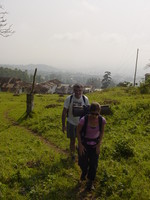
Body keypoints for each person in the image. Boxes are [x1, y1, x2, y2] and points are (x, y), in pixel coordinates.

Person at [77, 102, 106, 191]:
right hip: (84, 143)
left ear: (99, 113)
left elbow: (101, 132)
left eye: (96, 114)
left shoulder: (102, 121)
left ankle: (90, 182)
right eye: (92, 113)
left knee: (94, 164)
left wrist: (98, 145)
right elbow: (77, 131)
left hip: (95, 144)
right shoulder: (83, 120)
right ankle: (84, 171)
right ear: (89, 112)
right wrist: (80, 145)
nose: (94, 116)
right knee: (83, 163)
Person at [62, 84, 89, 161]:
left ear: (82, 91)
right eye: (76, 90)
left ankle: (81, 155)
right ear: (73, 90)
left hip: (82, 124)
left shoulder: (85, 99)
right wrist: (63, 125)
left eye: (79, 90)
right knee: (72, 141)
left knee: (82, 141)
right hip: (71, 123)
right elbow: (64, 112)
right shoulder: (69, 99)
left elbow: (88, 112)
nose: (78, 92)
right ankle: (73, 155)